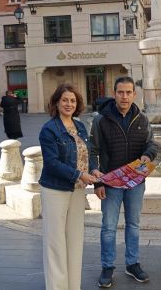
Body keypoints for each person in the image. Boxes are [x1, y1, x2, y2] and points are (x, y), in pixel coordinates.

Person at [90, 76, 159, 287]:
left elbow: (152, 144)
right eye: (121, 92)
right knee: (108, 227)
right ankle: (107, 267)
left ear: (134, 95)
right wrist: (98, 182)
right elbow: (92, 149)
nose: (125, 96)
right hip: (111, 182)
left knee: (134, 225)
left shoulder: (142, 118)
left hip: (135, 183)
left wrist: (148, 155)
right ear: (114, 94)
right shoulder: (101, 119)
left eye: (129, 92)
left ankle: (132, 264)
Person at [38, 83, 99, 290]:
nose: (69, 104)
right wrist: (79, 174)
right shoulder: (49, 129)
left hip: (77, 190)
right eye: (64, 100)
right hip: (55, 189)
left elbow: (88, 152)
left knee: (75, 241)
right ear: (56, 102)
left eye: (72, 100)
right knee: (55, 243)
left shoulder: (80, 126)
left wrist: (94, 170)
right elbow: (52, 163)